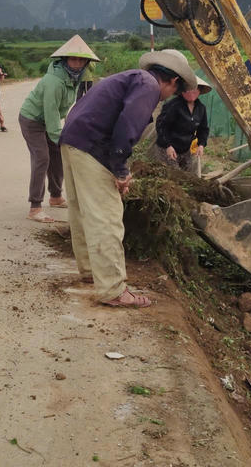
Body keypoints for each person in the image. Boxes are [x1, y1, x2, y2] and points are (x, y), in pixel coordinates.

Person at [60, 48, 195, 308]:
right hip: (92, 145)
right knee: (107, 216)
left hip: (73, 139)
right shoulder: (148, 86)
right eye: (174, 93)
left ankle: (90, 270)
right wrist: (120, 170)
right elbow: (127, 126)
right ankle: (112, 289)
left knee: (82, 209)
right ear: (173, 81)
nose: (167, 98)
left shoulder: (131, 77)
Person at [19, 36, 99, 223]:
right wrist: (61, 139)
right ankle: (35, 207)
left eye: (81, 60)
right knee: (42, 158)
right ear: (64, 60)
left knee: (57, 156)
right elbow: (51, 112)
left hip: (47, 120)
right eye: (73, 59)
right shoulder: (54, 81)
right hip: (32, 120)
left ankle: (55, 197)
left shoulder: (75, 78)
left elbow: (72, 107)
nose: (77, 63)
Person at [153, 76, 211, 174]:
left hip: (185, 150)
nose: (191, 91)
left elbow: (203, 129)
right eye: (187, 89)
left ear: (199, 91)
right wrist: (168, 146)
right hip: (168, 148)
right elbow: (161, 126)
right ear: (182, 90)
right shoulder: (173, 105)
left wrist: (201, 145)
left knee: (187, 177)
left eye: (194, 88)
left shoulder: (201, 108)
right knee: (173, 177)